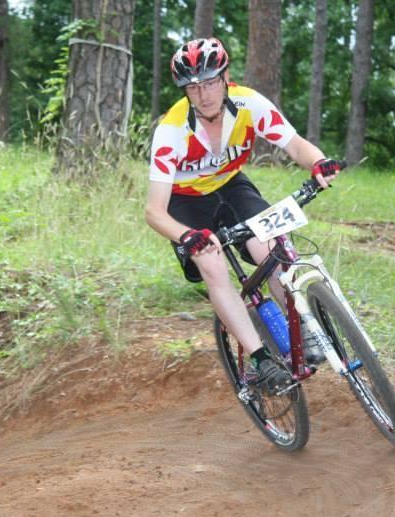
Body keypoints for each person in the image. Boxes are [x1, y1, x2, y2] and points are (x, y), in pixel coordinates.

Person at [145, 37, 340, 394]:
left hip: (231, 187)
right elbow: (153, 211)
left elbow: (294, 144)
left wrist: (318, 162)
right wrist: (186, 236)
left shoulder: (249, 103)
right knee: (212, 263)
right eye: (193, 87)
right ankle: (261, 359)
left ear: (225, 77)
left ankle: (306, 330)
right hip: (185, 202)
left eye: (210, 82)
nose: (203, 94)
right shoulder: (171, 131)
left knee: (271, 250)